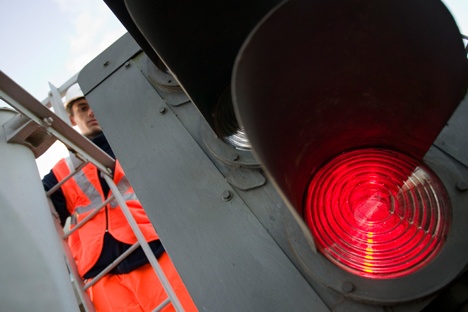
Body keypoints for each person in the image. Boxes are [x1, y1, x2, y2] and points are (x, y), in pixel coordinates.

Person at [42, 83, 196, 312]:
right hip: (100, 275)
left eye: (95, 106)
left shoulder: (135, 145)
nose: (91, 112)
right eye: (83, 108)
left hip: (152, 252)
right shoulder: (61, 172)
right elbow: (38, 209)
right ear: (72, 118)